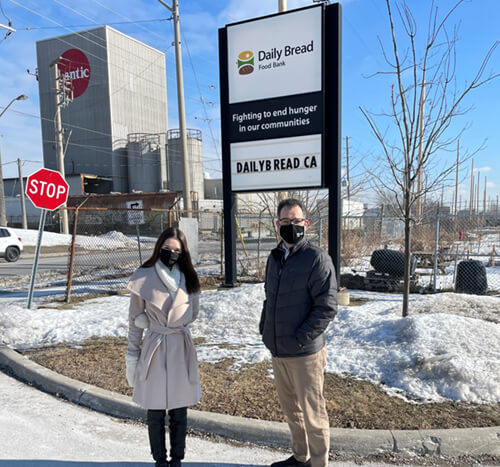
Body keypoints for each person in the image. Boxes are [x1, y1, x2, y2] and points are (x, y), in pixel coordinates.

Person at [260, 199, 337, 467]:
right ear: (277, 225)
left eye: (296, 221)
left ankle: (318, 463)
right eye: (285, 222)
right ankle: (301, 456)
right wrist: (265, 331)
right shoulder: (275, 257)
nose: (291, 226)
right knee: (292, 410)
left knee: (313, 412)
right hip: (279, 350)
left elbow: (326, 307)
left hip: (305, 353)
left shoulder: (317, 258)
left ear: (306, 224)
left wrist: (299, 338)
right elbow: (269, 298)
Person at [125, 227, 201, 467]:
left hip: (180, 345)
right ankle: (160, 460)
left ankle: (177, 459)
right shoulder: (143, 276)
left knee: (179, 408)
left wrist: (174, 323)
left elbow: (194, 313)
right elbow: (134, 322)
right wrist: (132, 355)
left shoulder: (188, 276)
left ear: (183, 252)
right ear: (159, 248)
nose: (171, 253)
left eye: (177, 250)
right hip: (154, 347)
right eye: (167, 248)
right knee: (155, 408)